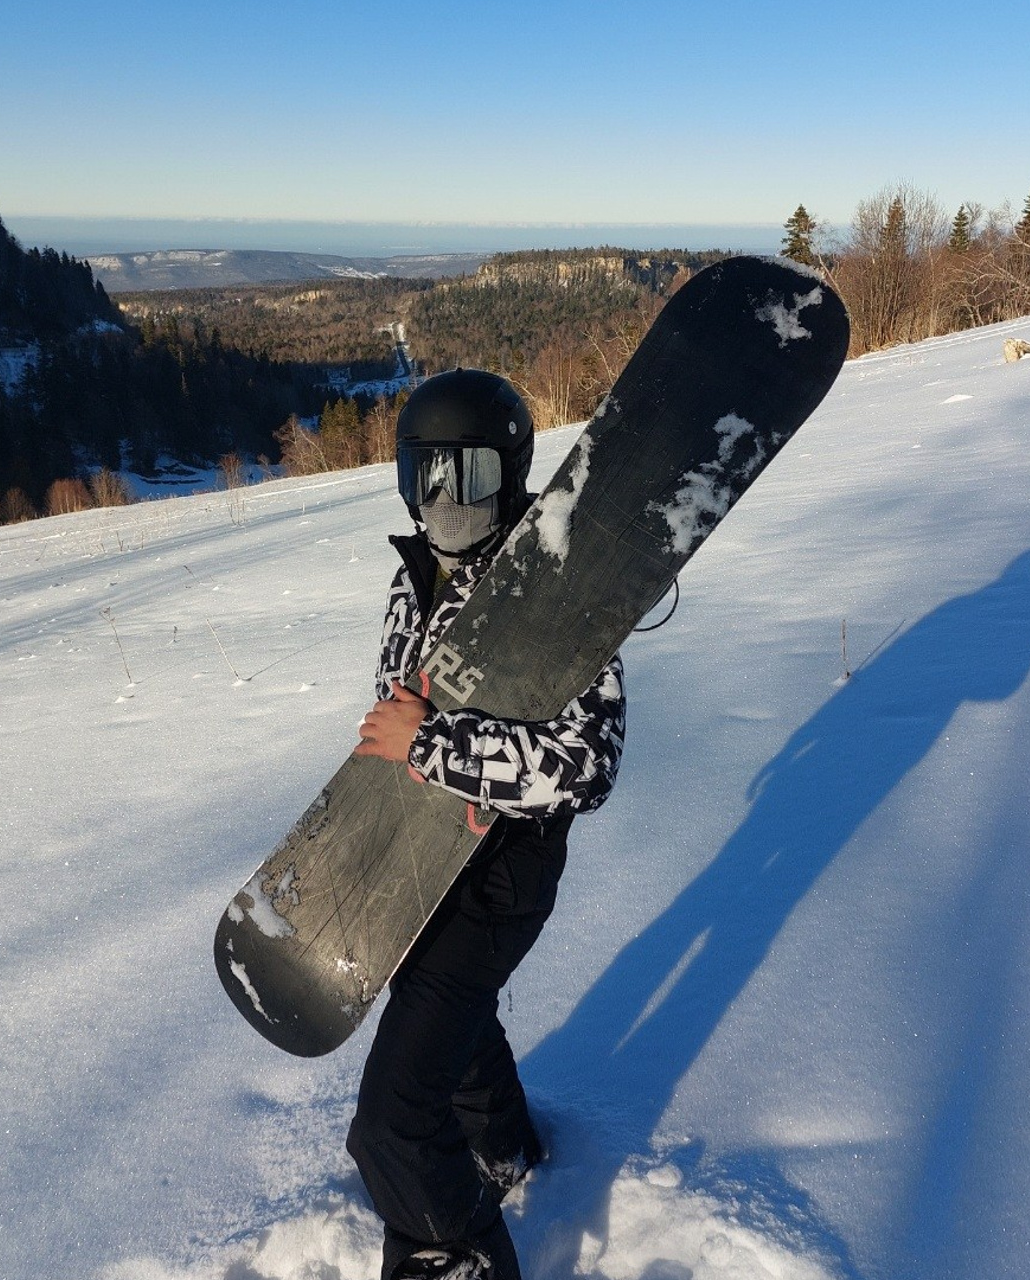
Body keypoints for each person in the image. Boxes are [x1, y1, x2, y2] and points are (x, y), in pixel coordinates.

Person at [348, 368, 626, 1280]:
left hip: (502, 875)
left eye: (460, 475)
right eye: (422, 474)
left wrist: (434, 746)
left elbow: (587, 762)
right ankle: (501, 1149)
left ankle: (452, 1252)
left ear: (506, 475)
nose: (441, 500)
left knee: (391, 1121)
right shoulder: (416, 576)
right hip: (430, 857)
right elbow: (402, 706)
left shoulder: (554, 586)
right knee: (444, 1025)